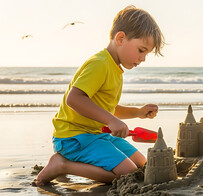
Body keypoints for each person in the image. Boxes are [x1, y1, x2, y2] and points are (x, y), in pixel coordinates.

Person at [35, 5, 164, 186]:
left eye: (146, 53)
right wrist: (111, 121)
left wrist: (138, 112)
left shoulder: (115, 69)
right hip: (74, 137)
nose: (143, 59)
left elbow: (108, 110)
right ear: (120, 38)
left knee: (142, 165)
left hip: (95, 135)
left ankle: (71, 163)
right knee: (128, 173)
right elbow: (74, 99)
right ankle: (62, 165)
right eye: (141, 50)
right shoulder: (100, 64)